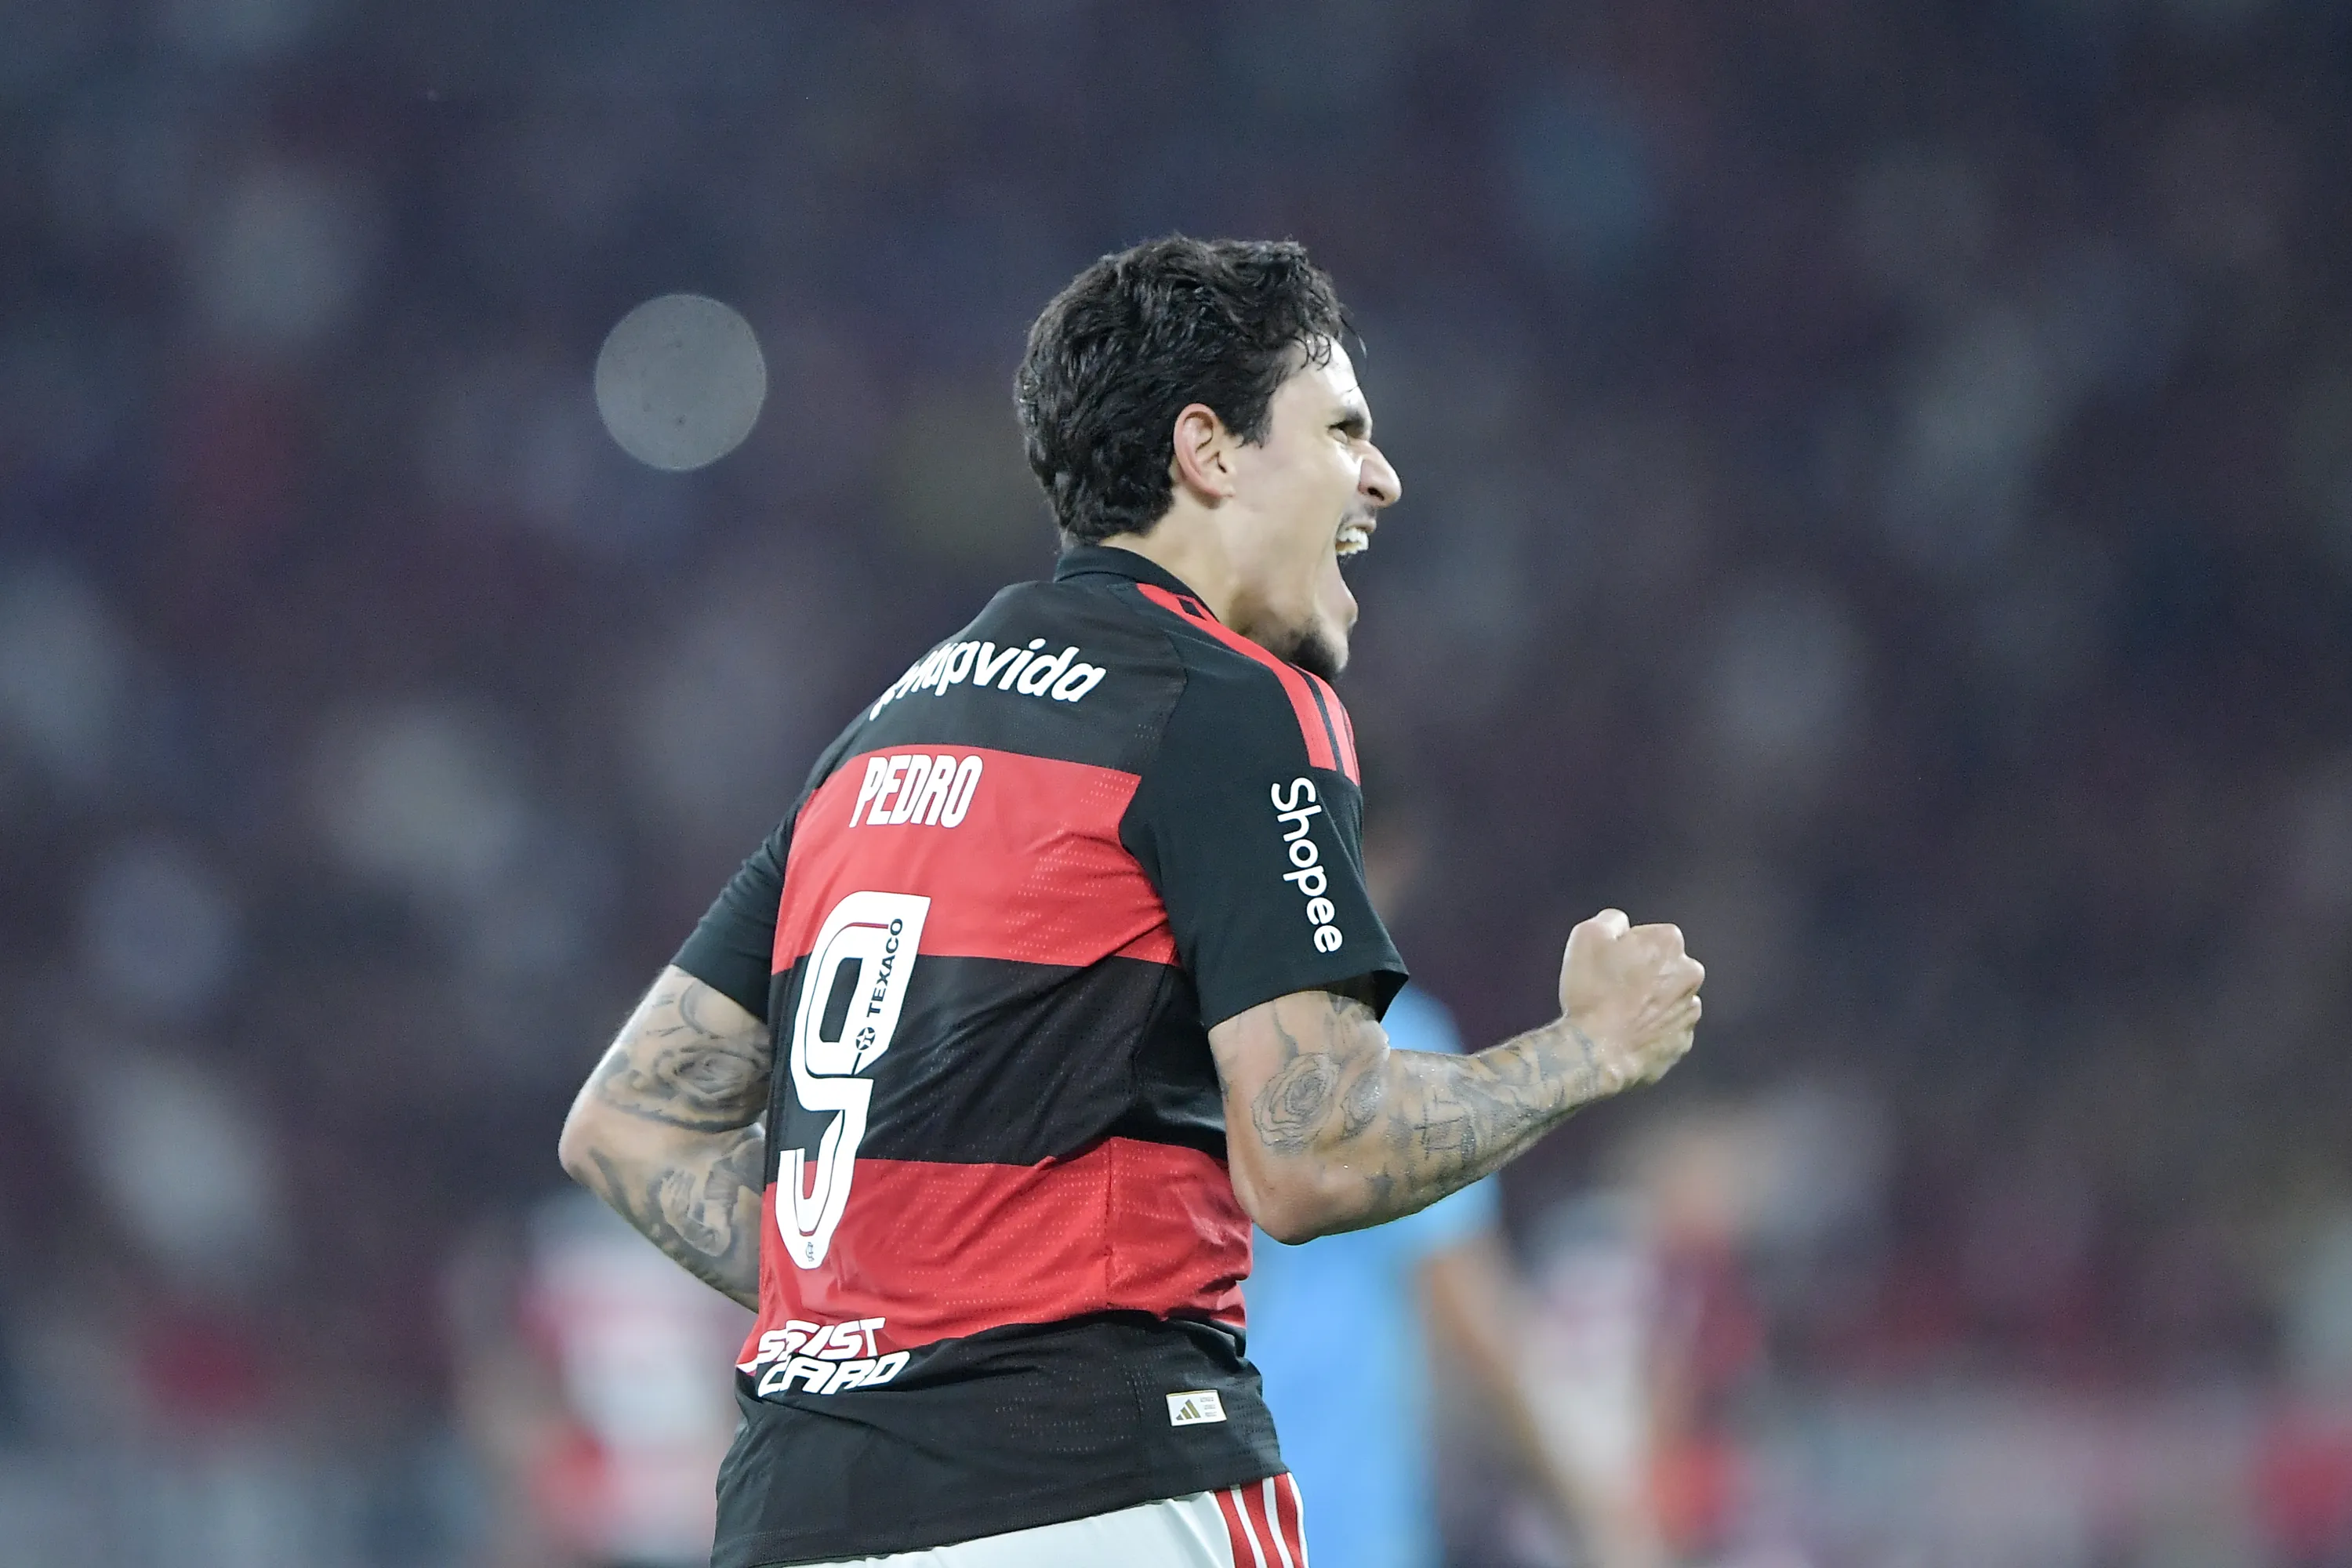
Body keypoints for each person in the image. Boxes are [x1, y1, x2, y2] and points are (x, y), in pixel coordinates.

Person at [558, 235, 1705, 1568]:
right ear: (1209, 451)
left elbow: (626, 1128)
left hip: (797, 1512)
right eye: (1341, 430)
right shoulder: (1226, 700)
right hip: (1100, 1491)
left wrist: (889, 1316)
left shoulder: (881, 742)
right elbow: (1314, 1151)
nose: (1381, 478)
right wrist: (1587, 1052)